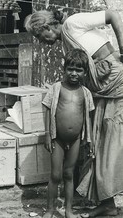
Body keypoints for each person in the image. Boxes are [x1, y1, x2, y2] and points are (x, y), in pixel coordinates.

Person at [25, 9, 123, 217]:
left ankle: (108, 202)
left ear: (46, 27)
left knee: (114, 145)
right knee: (98, 144)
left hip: (117, 83)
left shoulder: (72, 24)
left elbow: (113, 15)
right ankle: (108, 204)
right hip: (101, 91)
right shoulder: (66, 45)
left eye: (39, 36)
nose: (41, 42)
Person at [42, 48, 94, 218]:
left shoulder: (85, 93)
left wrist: (90, 139)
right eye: (70, 69)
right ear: (63, 70)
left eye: (78, 70)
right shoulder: (57, 88)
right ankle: (50, 209)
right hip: (57, 138)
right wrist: (48, 134)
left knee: (69, 174)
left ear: (85, 72)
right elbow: (48, 109)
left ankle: (69, 210)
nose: (73, 73)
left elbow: (88, 116)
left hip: (76, 140)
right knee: (56, 175)